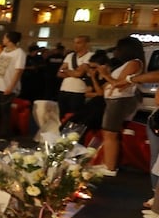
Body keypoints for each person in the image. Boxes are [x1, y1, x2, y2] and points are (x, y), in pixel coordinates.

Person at [96, 36, 144, 176]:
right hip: (115, 100)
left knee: (110, 133)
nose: (116, 52)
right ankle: (108, 164)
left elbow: (119, 84)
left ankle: (110, 167)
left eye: (118, 48)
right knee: (108, 133)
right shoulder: (128, 63)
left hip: (120, 101)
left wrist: (105, 74)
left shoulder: (134, 63)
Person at [0, 30, 26, 140]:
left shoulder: (19, 53)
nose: (3, 40)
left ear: (10, 39)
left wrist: (11, 87)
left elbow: (19, 71)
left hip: (6, 86)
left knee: (5, 111)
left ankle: (4, 133)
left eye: (5, 38)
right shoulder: (3, 52)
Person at [56, 35, 91, 119]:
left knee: (74, 116)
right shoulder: (70, 56)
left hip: (78, 91)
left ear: (86, 44)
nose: (75, 45)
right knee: (62, 116)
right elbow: (59, 73)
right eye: (74, 43)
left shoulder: (90, 56)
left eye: (79, 43)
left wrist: (67, 71)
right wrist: (73, 72)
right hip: (64, 89)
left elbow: (79, 74)